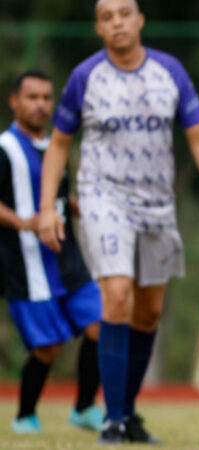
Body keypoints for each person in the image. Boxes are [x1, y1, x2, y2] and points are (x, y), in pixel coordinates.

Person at [37, 0, 199, 443]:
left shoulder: (170, 72)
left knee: (148, 312)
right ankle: (110, 418)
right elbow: (58, 144)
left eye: (124, 13)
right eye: (107, 17)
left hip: (157, 206)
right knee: (118, 296)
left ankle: (125, 414)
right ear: (98, 27)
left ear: (140, 19)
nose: (117, 22)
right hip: (103, 199)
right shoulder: (86, 77)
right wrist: (48, 205)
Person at [0, 70, 103, 435]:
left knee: (101, 324)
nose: (41, 104)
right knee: (48, 348)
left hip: (68, 261)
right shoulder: (5, 148)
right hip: (27, 265)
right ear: (15, 101)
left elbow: (58, 195)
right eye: (32, 97)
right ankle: (25, 415)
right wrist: (20, 220)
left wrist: (77, 205)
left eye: (47, 97)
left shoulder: (56, 146)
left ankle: (86, 407)